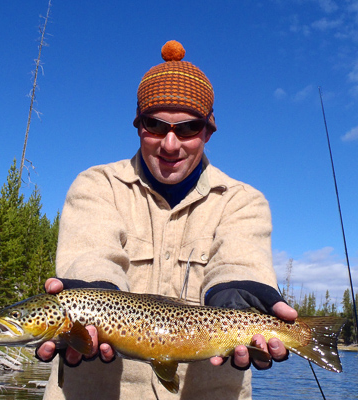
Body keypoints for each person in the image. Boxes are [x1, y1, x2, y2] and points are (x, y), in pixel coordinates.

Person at [38, 40, 297, 400]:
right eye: (155, 125)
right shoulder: (96, 186)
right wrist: (92, 294)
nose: (171, 144)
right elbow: (93, 255)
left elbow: (239, 262)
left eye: (188, 128)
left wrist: (238, 291)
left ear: (208, 131)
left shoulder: (243, 201)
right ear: (138, 126)